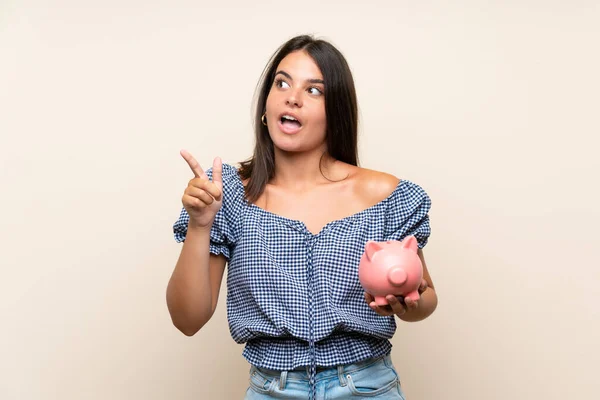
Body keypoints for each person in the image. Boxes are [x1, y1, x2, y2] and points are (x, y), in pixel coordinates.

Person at [166, 34, 438, 400]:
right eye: (282, 82)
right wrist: (200, 225)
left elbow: (426, 298)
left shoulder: (382, 195)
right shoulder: (227, 194)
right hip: (271, 390)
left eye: (314, 90)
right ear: (266, 107)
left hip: (367, 388)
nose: (292, 96)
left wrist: (409, 302)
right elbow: (187, 320)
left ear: (336, 112)